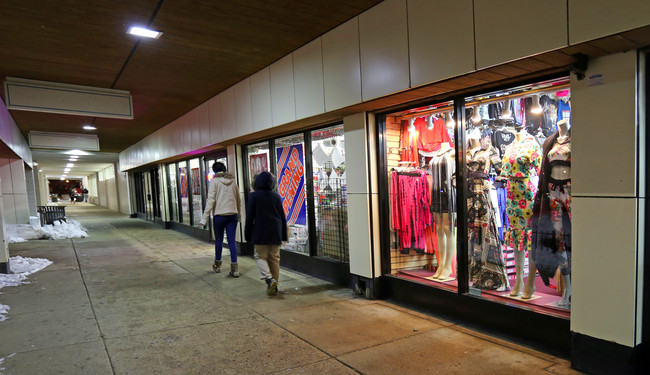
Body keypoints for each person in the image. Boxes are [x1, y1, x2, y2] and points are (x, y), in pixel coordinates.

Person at [245, 171, 287, 296]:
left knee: (260, 256)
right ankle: (275, 286)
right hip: (276, 230)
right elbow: (282, 217)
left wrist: (247, 234)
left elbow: (249, 217)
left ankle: (269, 279)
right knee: (274, 258)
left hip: (261, 230)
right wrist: (284, 234)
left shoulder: (254, 196)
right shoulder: (276, 196)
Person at [198, 162, 242, 277]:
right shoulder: (233, 181)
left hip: (219, 216)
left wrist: (204, 219)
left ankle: (217, 265)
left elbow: (210, 200)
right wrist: (239, 215)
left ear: (214, 171)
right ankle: (235, 269)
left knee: (219, 240)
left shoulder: (214, 181)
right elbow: (238, 199)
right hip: (232, 215)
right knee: (232, 241)